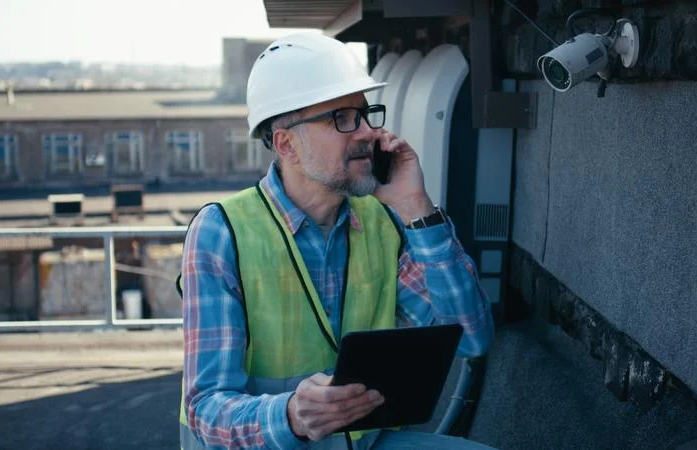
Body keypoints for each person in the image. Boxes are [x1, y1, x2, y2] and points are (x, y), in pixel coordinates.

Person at [178, 32, 495, 450]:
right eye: (342, 117)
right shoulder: (222, 232)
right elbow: (206, 410)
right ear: (286, 143)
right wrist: (290, 415)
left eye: (366, 115)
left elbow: (472, 337)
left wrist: (417, 207)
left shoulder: (386, 220)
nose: (366, 132)